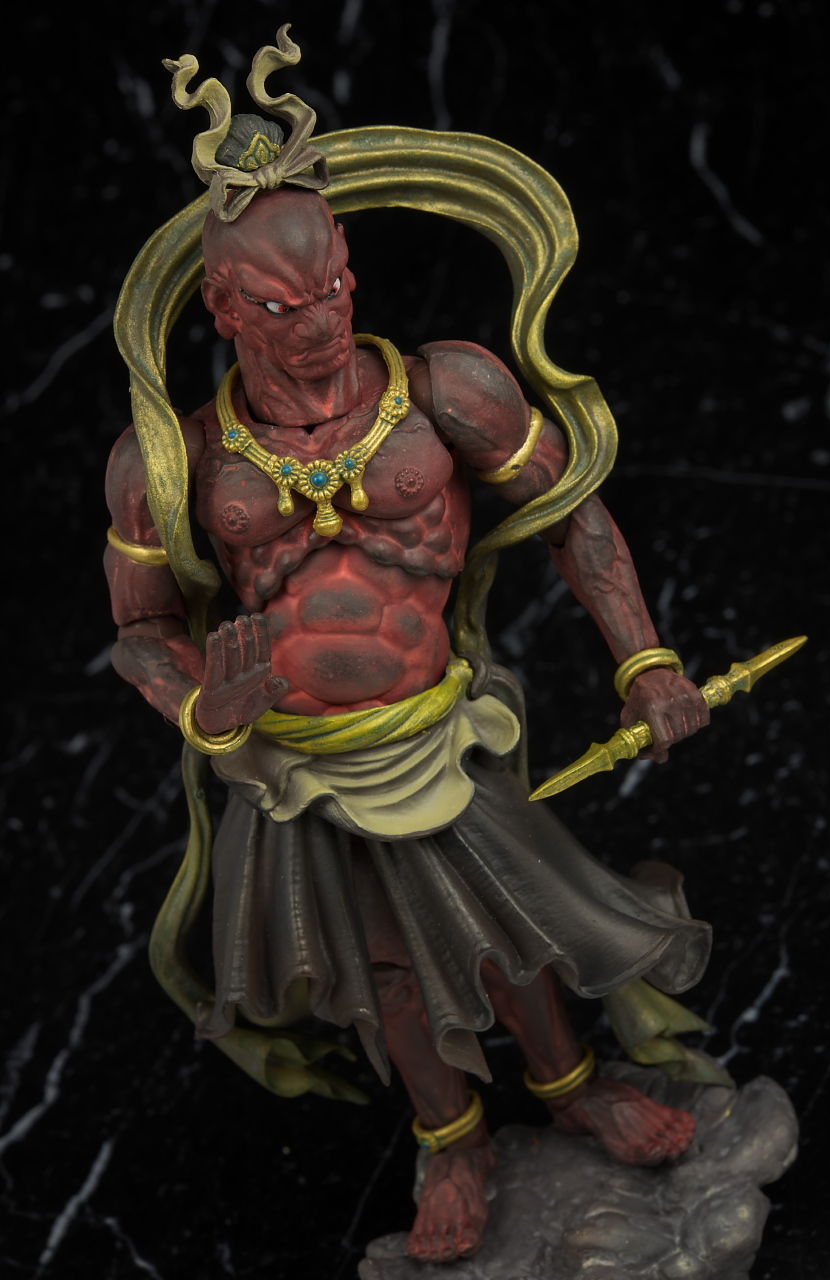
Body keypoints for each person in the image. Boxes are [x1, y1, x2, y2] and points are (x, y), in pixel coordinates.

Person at [106, 33, 715, 1261]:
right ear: (222, 308)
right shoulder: (176, 462)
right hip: (295, 760)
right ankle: (453, 1140)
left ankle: (571, 1084)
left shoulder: (450, 390)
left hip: (435, 729)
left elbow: (575, 512)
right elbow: (140, 631)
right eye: (282, 306)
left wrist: (646, 660)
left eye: (335, 284)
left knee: (513, 924)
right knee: (382, 962)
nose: (322, 319)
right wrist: (205, 714)